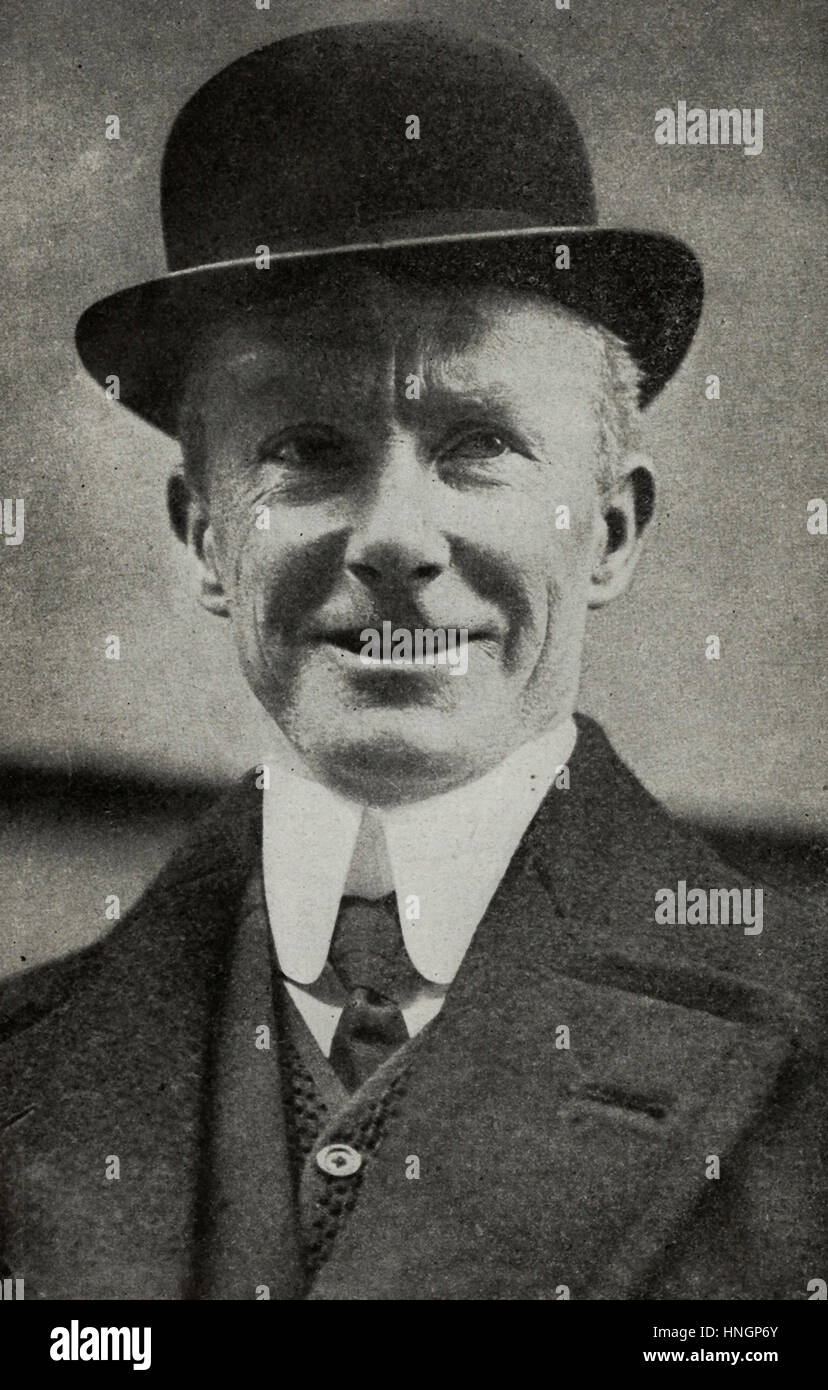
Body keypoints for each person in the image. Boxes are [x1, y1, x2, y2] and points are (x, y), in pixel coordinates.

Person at [0, 20, 823, 1301]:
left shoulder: (806, 1053)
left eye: (479, 442)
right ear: (205, 537)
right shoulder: (24, 1070)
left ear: (610, 529)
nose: (393, 538)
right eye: (307, 447)